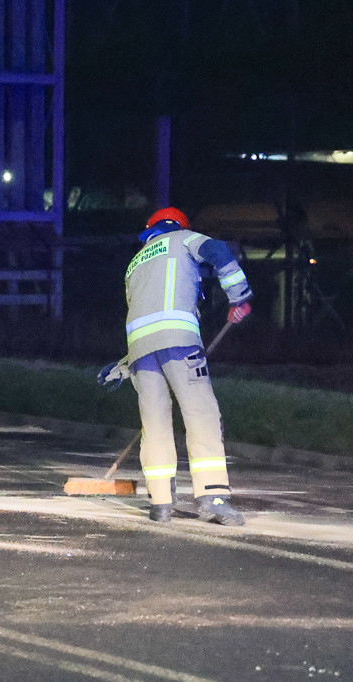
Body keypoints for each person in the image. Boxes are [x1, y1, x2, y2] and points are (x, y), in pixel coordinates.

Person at [124, 207, 252, 525]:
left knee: (154, 423)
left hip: (140, 352)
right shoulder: (182, 239)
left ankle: (161, 503)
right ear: (180, 225)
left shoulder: (134, 264)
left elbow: (140, 312)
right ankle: (213, 498)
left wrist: (123, 365)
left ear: (149, 229)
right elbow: (218, 251)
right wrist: (238, 297)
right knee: (201, 414)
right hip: (179, 343)